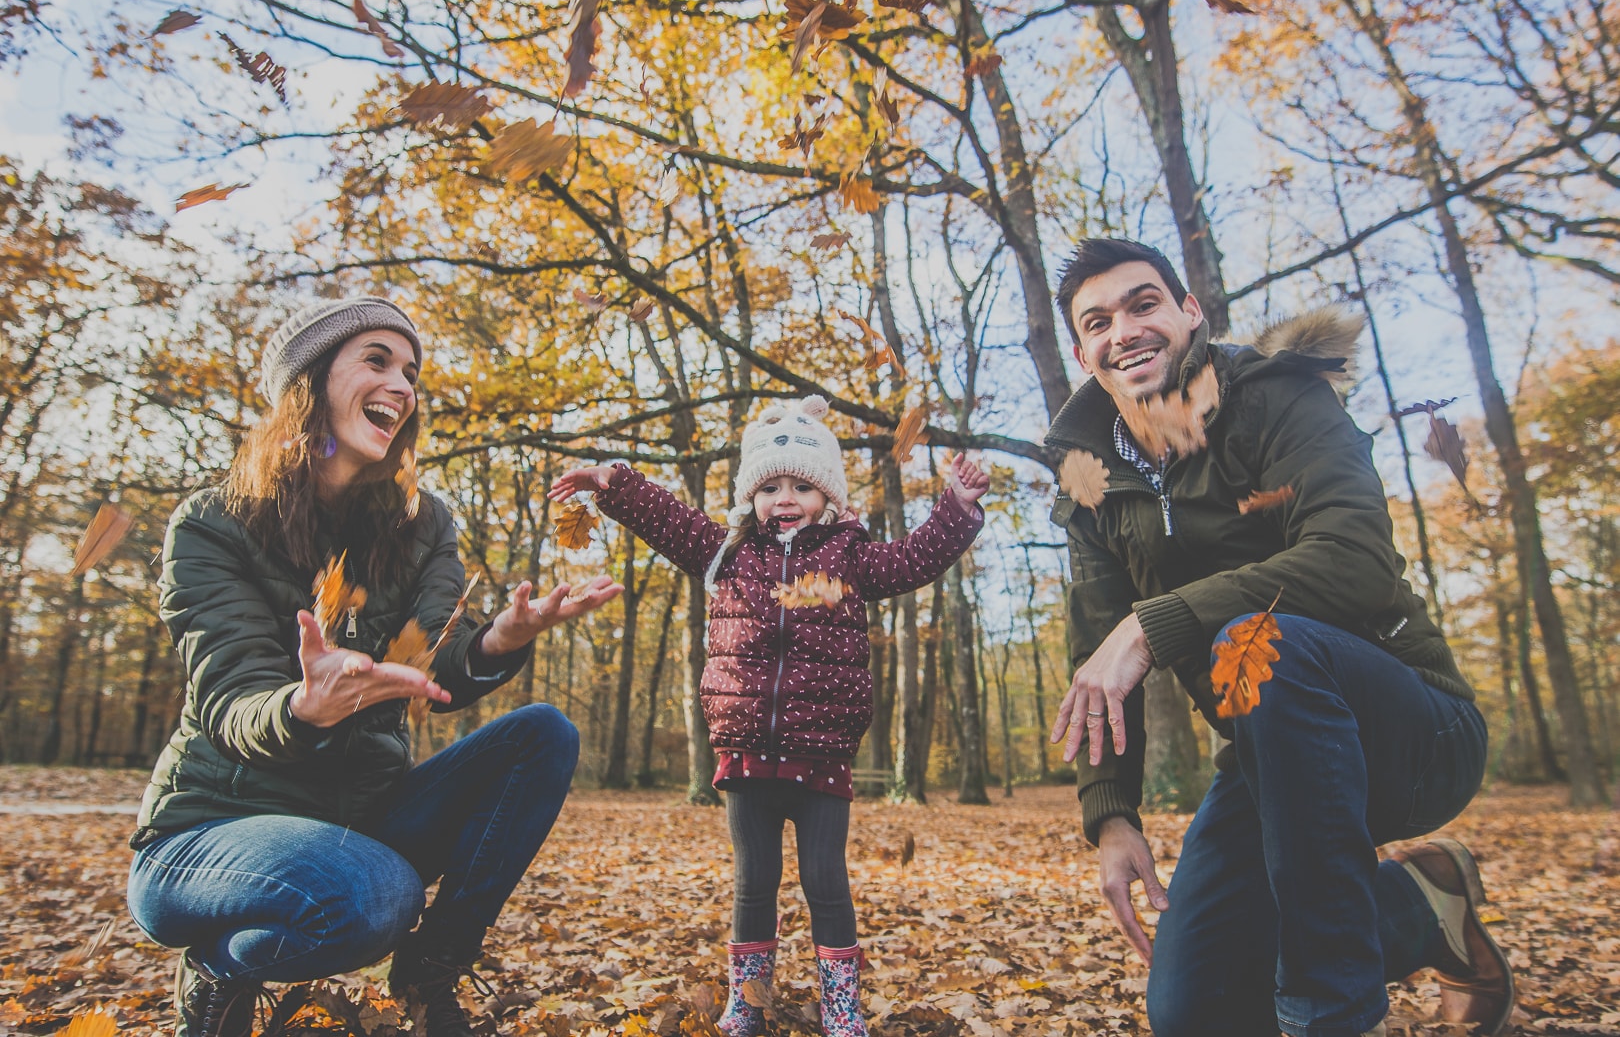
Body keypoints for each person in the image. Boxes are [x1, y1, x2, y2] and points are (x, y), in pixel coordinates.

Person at [1043, 239, 1513, 1037]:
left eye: (1143, 303)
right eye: (1099, 321)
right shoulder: (1092, 489)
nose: (1124, 329)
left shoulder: (1279, 396)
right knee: (1195, 1014)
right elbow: (1100, 664)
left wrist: (1151, 624)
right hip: (1267, 760)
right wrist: (1113, 814)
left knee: (1261, 640)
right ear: (1084, 352)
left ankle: (1328, 1014)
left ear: (1190, 312)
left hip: (1415, 730)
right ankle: (1420, 904)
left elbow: (1354, 558)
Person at [126, 297, 622, 1037]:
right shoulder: (212, 523)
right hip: (212, 833)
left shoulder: (425, 525)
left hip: (358, 817)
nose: (402, 384)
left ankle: (431, 974)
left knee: (542, 734)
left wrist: (501, 640)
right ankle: (218, 966)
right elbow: (230, 702)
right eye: (378, 361)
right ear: (313, 380)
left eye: (412, 371)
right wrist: (305, 705)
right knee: (374, 897)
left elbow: (436, 673)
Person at [549, 394, 987, 1037]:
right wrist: (612, 482)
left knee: (825, 882)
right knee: (754, 883)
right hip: (747, 748)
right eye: (771, 486)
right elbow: (666, 518)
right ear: (751, 496)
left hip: (821, 751)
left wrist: (957, 507)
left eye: (802, 487)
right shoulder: (727, 554)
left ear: (829, 499)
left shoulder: (850, 556)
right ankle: (748, 1001)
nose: (785, 498)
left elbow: (914, 558)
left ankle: (841, 1003)